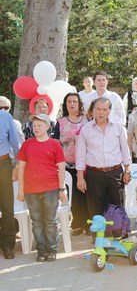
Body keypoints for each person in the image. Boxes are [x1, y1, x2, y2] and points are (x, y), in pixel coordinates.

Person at [16, 113, 67, 262]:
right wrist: (20, 189)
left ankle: (51, 250)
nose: (36, 128)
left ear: (47, 127)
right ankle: (41, 250)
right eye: (34, 125)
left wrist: (61, 188)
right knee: (36, 221)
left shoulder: (54, 144)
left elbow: (62, 167)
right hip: (31, 190)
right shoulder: (27, 144)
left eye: (39, 125)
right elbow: (21, 168)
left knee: (50, 221)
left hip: (50, 189)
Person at [75, 97, 132, 218]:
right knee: (96, 210)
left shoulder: (118, 128)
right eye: (98, 109)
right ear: (93, 110)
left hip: (115, 173)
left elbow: (125, 151)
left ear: (109, 111)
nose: (101, 112)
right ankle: (99, 237)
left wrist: (127, 170)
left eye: (104, 109)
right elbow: (80, 155)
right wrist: (80, 177)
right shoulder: (86, 129)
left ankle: (119, 236)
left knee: (118, 209)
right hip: (94, 175)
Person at [53, 93, 90, 236]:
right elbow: (55, 141)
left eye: (75, 101)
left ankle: (88, 224)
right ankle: (77, 224)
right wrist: (68, 139)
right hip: (67, 165)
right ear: (66, 104)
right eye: (69, 101)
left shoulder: (86, 120)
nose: (72, 104)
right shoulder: (60, 122)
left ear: (80, 104)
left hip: (86, 164)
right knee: (74, 195)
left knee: (86, 194)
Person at [0, 105, 21, 260]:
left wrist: (18, 165)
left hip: (3, 165)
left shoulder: (5, 117)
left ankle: (7, 245)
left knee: (7, 207)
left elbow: (15, 142)